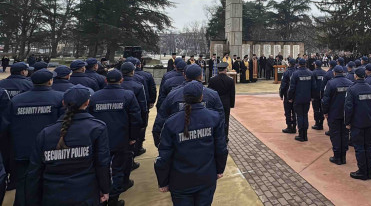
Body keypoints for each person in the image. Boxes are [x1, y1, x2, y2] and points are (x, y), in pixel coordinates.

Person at [26, 86, 111, 205]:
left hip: (52, 195)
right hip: (86, 195)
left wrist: (32, 199)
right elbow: (102, 163)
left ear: (63, 103)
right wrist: (105, 189)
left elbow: (34, 171)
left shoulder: (45, 133)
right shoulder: (97, 128)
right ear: (87, 103)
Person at [154, 81, 228, 206]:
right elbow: (221, 147)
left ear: (184, 97)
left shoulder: (172, 122)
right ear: (202, 97)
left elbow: (164, 155)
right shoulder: (214, 117)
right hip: (206, 178)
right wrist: (220, 169)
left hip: (180, 180)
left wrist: (163, 181)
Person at [9, 69, 65, 205]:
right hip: (49, 149)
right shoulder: (60, 98)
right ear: (50, 81)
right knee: (48, 180)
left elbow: (9, 124)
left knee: (23, 181)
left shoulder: (16, 100)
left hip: (23, 148)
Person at [89, 69, 142, 205]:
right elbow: (135, 119)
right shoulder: (128, 95)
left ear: (106, 80)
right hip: (121, 139)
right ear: (121, 80)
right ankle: (113, 199)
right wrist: (133, 137)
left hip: (100, 140)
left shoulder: (94, 96)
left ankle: (102, 197)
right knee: (118, 170)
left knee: (100, 169)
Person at [154, 66, 224, 147]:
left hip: (180, 145)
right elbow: (221, 120)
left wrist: (161, 146)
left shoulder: (173, 95)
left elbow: (161, 120)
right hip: (206, 146)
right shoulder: (212, 95)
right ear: (201, 76)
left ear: (184, 75)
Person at [345, 67, 371, 180]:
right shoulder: (370, 88)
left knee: (359, 148)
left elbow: (349, 108)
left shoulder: (352, 89)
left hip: (357, 123)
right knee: (368, 146)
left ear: (356, 76)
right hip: (368, 121)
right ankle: (369, 170)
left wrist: (347, 122)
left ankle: (362, 171)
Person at [322, 65, 353, 165]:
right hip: (345, 114)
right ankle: (343, 156)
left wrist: (325, 112)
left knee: (335, 135)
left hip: (334, 113)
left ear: (334, 73)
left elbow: (325, 100)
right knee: (344, 135)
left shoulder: (331, 83)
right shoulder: (350, 83)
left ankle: (337, 157)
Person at [287, 58, 314, 142]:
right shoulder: (310, 73)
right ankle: (305, 135)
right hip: (307, 98)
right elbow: (314, 87)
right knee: (305, 115)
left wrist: (290, 97)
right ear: (305, 64)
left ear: (298, 64)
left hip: (298, 98)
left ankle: (301, 135)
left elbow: (292, 88)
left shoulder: (295, 74)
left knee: (299, 116)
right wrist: (312, 97)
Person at [207, 63, 235, 141]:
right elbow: (232, 94)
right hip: (226, 103)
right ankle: (225, 136)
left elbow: (209, 92)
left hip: (215, 103)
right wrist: (231, 104)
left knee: (215, 119)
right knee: (226, 120)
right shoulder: (230, 80)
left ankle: (216, 136)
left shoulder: (212, 79)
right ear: (225, 69)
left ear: (218, 70)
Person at [280, 59, 297, 134]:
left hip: (287, 94)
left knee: (288, 111)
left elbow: (283, 85)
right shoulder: (297, 72)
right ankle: (294, 126)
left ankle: (289, 126)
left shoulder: (286, 72)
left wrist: (281, 94)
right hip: (296, 95)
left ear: (289, 64)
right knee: (294, 111)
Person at [311, 60, 327, 131]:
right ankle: (321, 123)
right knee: (322, 109)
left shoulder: (313, 73)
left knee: (316, 109)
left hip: (316, 94)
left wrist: (312, 95)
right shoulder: (325, 73)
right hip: (323, 93)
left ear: (316, 65)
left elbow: (313, 85)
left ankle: (317, 123)